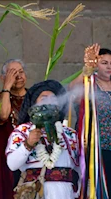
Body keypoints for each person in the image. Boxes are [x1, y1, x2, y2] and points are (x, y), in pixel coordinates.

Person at [5, 80, 79, 199]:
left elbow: (81, 168)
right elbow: (12, 165)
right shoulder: (22, 131)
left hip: (64, 193)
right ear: (34, 104)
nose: (49, 102)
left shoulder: (69, 134)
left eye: (53, 99)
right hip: (33, 192)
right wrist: (28, 144)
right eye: (44, 99)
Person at [69, 43, 111, 195]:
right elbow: (72, 91)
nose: (109, 67)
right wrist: (87, 68)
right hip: (97, 151)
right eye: (104, 63)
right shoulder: (89, 83)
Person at [0, 59, 27, 199]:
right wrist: (7, 87)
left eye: (21, 72)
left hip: (30, 154)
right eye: (12, 73)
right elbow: (4, 115)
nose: (18, 76)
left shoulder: (34, 96)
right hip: (6, 155)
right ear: (2, 78)